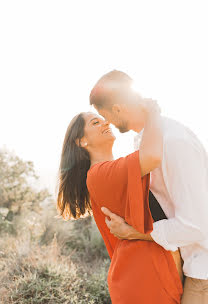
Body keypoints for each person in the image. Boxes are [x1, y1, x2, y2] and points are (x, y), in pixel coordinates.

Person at [90, 70, 208, 304]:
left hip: (201, 271)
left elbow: (197, 224)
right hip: (185, 265)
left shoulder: (173, 142)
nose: (107, 123)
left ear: (118, 109)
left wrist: (137, 233)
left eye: (104, 116)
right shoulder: (145, 140)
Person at [57, 104, 183, 303]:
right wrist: (152, 114)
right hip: (146, 282)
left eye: (102, 119)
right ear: (82, 141)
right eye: (95, 122)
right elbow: (152, 155)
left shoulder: (116, 172)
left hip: (147, 278)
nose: (105, 122)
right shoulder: (100, 174)